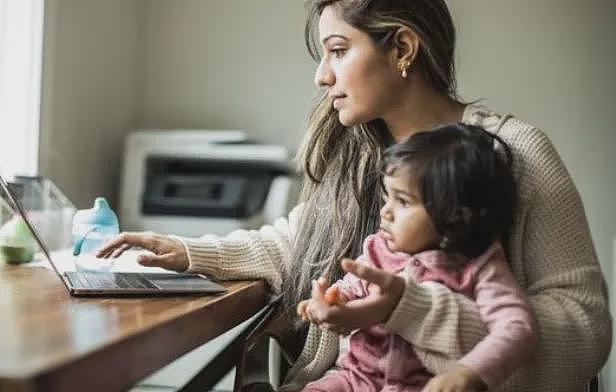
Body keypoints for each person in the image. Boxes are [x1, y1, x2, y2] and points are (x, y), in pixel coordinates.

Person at [97, 0, 612, 390]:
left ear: (403, 49)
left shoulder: (515, 152)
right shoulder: (359, 154)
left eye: (339, 51)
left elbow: (584, 327)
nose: (323, 76)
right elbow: (295, 243)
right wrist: (187, 252)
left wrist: (412, 312)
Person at [297, 123, 538, 392]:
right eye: (387, 197)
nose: (385, 212)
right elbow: (350, 288)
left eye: (403, 201)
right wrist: (331, 300)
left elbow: (517, 328)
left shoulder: (480, 266)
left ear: (456, 218)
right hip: (355, 380)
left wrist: (469, 372)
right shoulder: (379, 249)